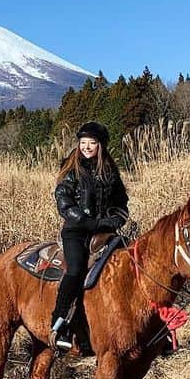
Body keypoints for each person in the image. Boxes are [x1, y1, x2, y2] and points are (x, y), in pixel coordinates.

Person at [49, 121, 129, 353]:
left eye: (91, 143)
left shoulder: (110, 171)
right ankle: (60, 322)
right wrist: (85, 221)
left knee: (132, 263)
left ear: (100, 145)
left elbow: (121, 202)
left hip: (104, 231)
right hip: (76, 229)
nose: (86, 147)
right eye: (83, 142)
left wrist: (116, 219)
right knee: (75, 270)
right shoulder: (72, 168)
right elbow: (63, 199)